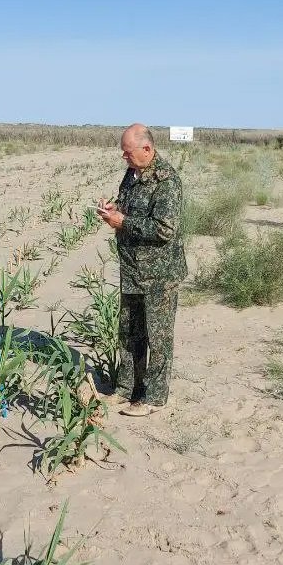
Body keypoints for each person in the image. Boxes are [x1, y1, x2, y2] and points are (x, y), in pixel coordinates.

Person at [97, 124, 187, 417]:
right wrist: (113, 209)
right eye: (123, 153)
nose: (124, 158)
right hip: (133, 269)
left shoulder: (167, 181)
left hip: (159, 274)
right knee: (129, 332)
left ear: (147, 149)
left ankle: (153, 397)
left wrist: (123, 222)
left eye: (128, 153)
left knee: (157, 336)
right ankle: (126, 390)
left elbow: (164, 229)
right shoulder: (133, 173)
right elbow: (130, 206)